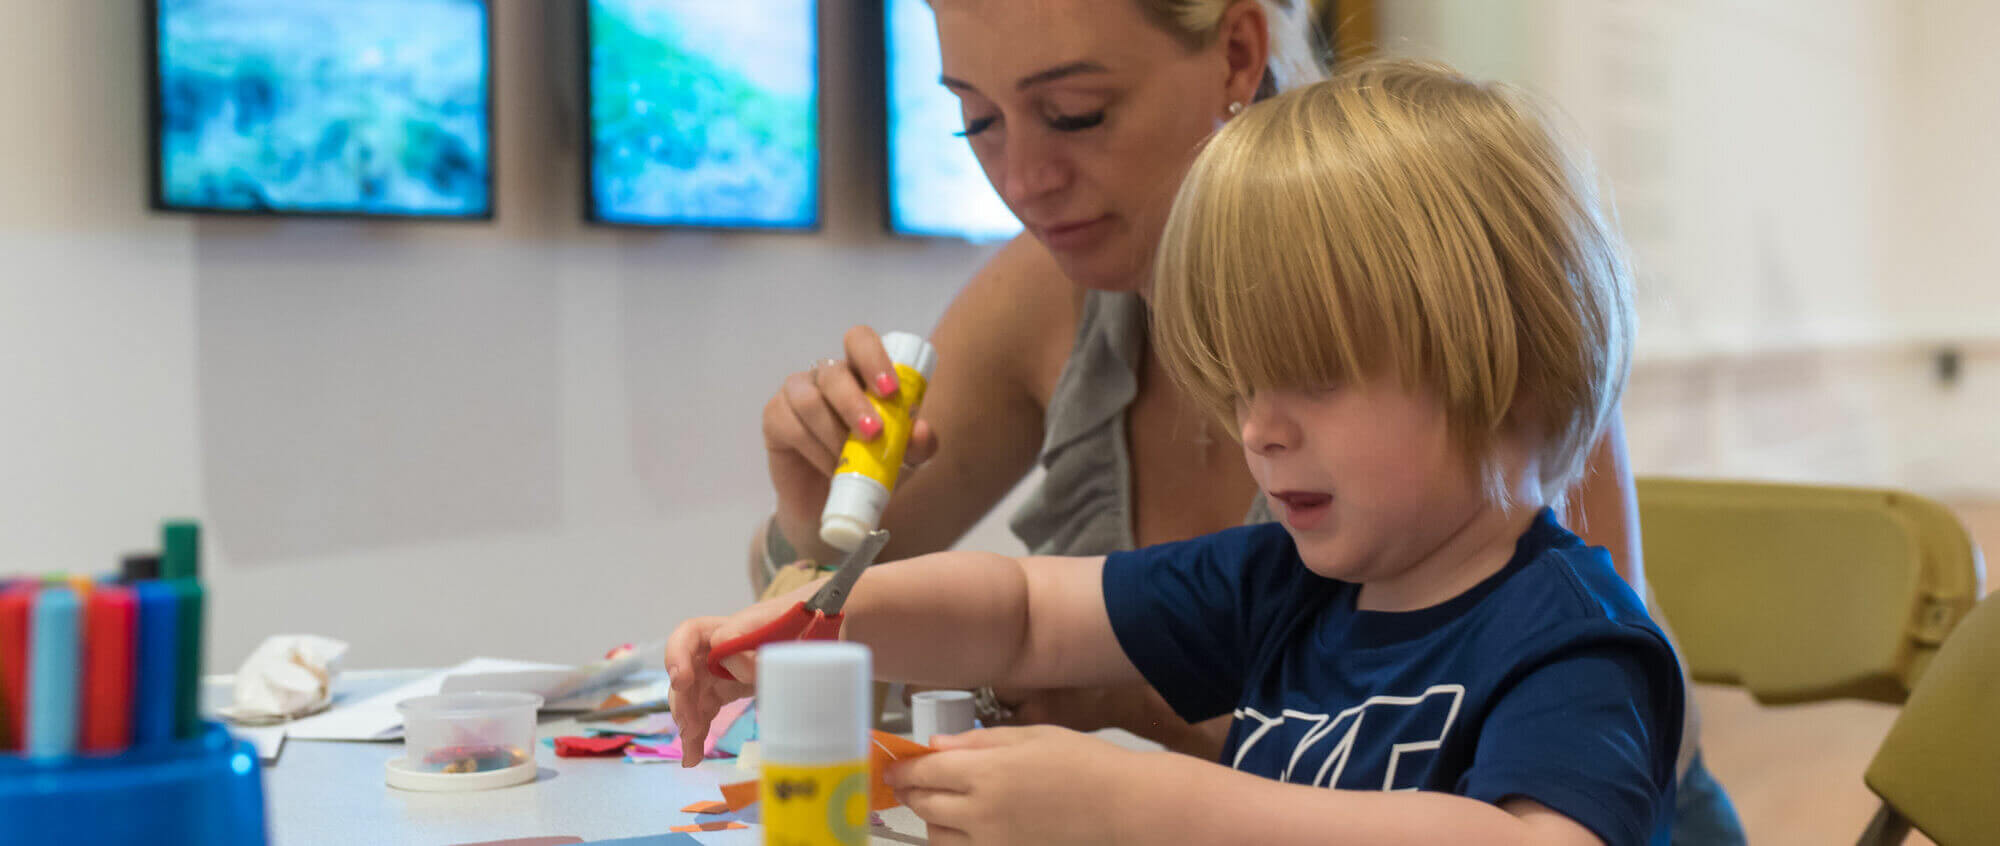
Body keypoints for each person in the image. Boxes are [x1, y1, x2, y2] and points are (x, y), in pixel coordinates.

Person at [751, 0, 1740, 840]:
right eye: (974, 122)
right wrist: (803, 605)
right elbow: (1020, 611)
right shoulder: (1278, 575)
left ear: (1235, 49)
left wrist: (1139, 794)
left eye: (1074, 113)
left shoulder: (1567, 634)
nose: (1021, 179)